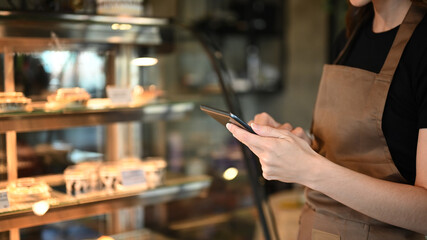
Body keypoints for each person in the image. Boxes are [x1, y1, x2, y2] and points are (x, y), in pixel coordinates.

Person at [226, 0, 427, 239]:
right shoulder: (349, 38)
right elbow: (347, 152)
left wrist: (308, 169)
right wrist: (299, 144)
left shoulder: (422, 43)